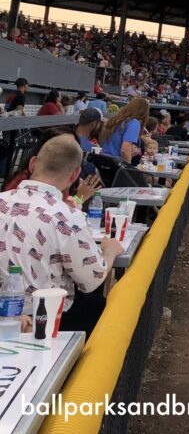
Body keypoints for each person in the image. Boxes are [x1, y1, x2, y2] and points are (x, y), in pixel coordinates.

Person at [0, 134, 122, 334]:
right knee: (97, 304)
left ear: (32, 164)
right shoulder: (69, 216)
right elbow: (90, 280)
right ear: (75, 175)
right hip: (47, 316)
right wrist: (109, 252)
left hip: (7, 314)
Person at [99, 97, 150, 163]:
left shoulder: (115, 120)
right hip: (116, 163)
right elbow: (125, 150)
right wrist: (127, 168)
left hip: (103, 159)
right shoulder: (134, 123)